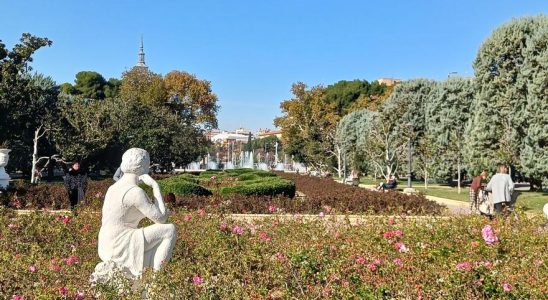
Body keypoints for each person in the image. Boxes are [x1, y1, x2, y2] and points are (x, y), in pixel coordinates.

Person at [91, 148, 176, 283]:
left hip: (105, 243)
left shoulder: (112, 188)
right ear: (143, 167)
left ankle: (145, 275)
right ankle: (155, 281)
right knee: (169, 230)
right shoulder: (135, 192)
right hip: (119, 244)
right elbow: (161, 218)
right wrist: (155, 187)